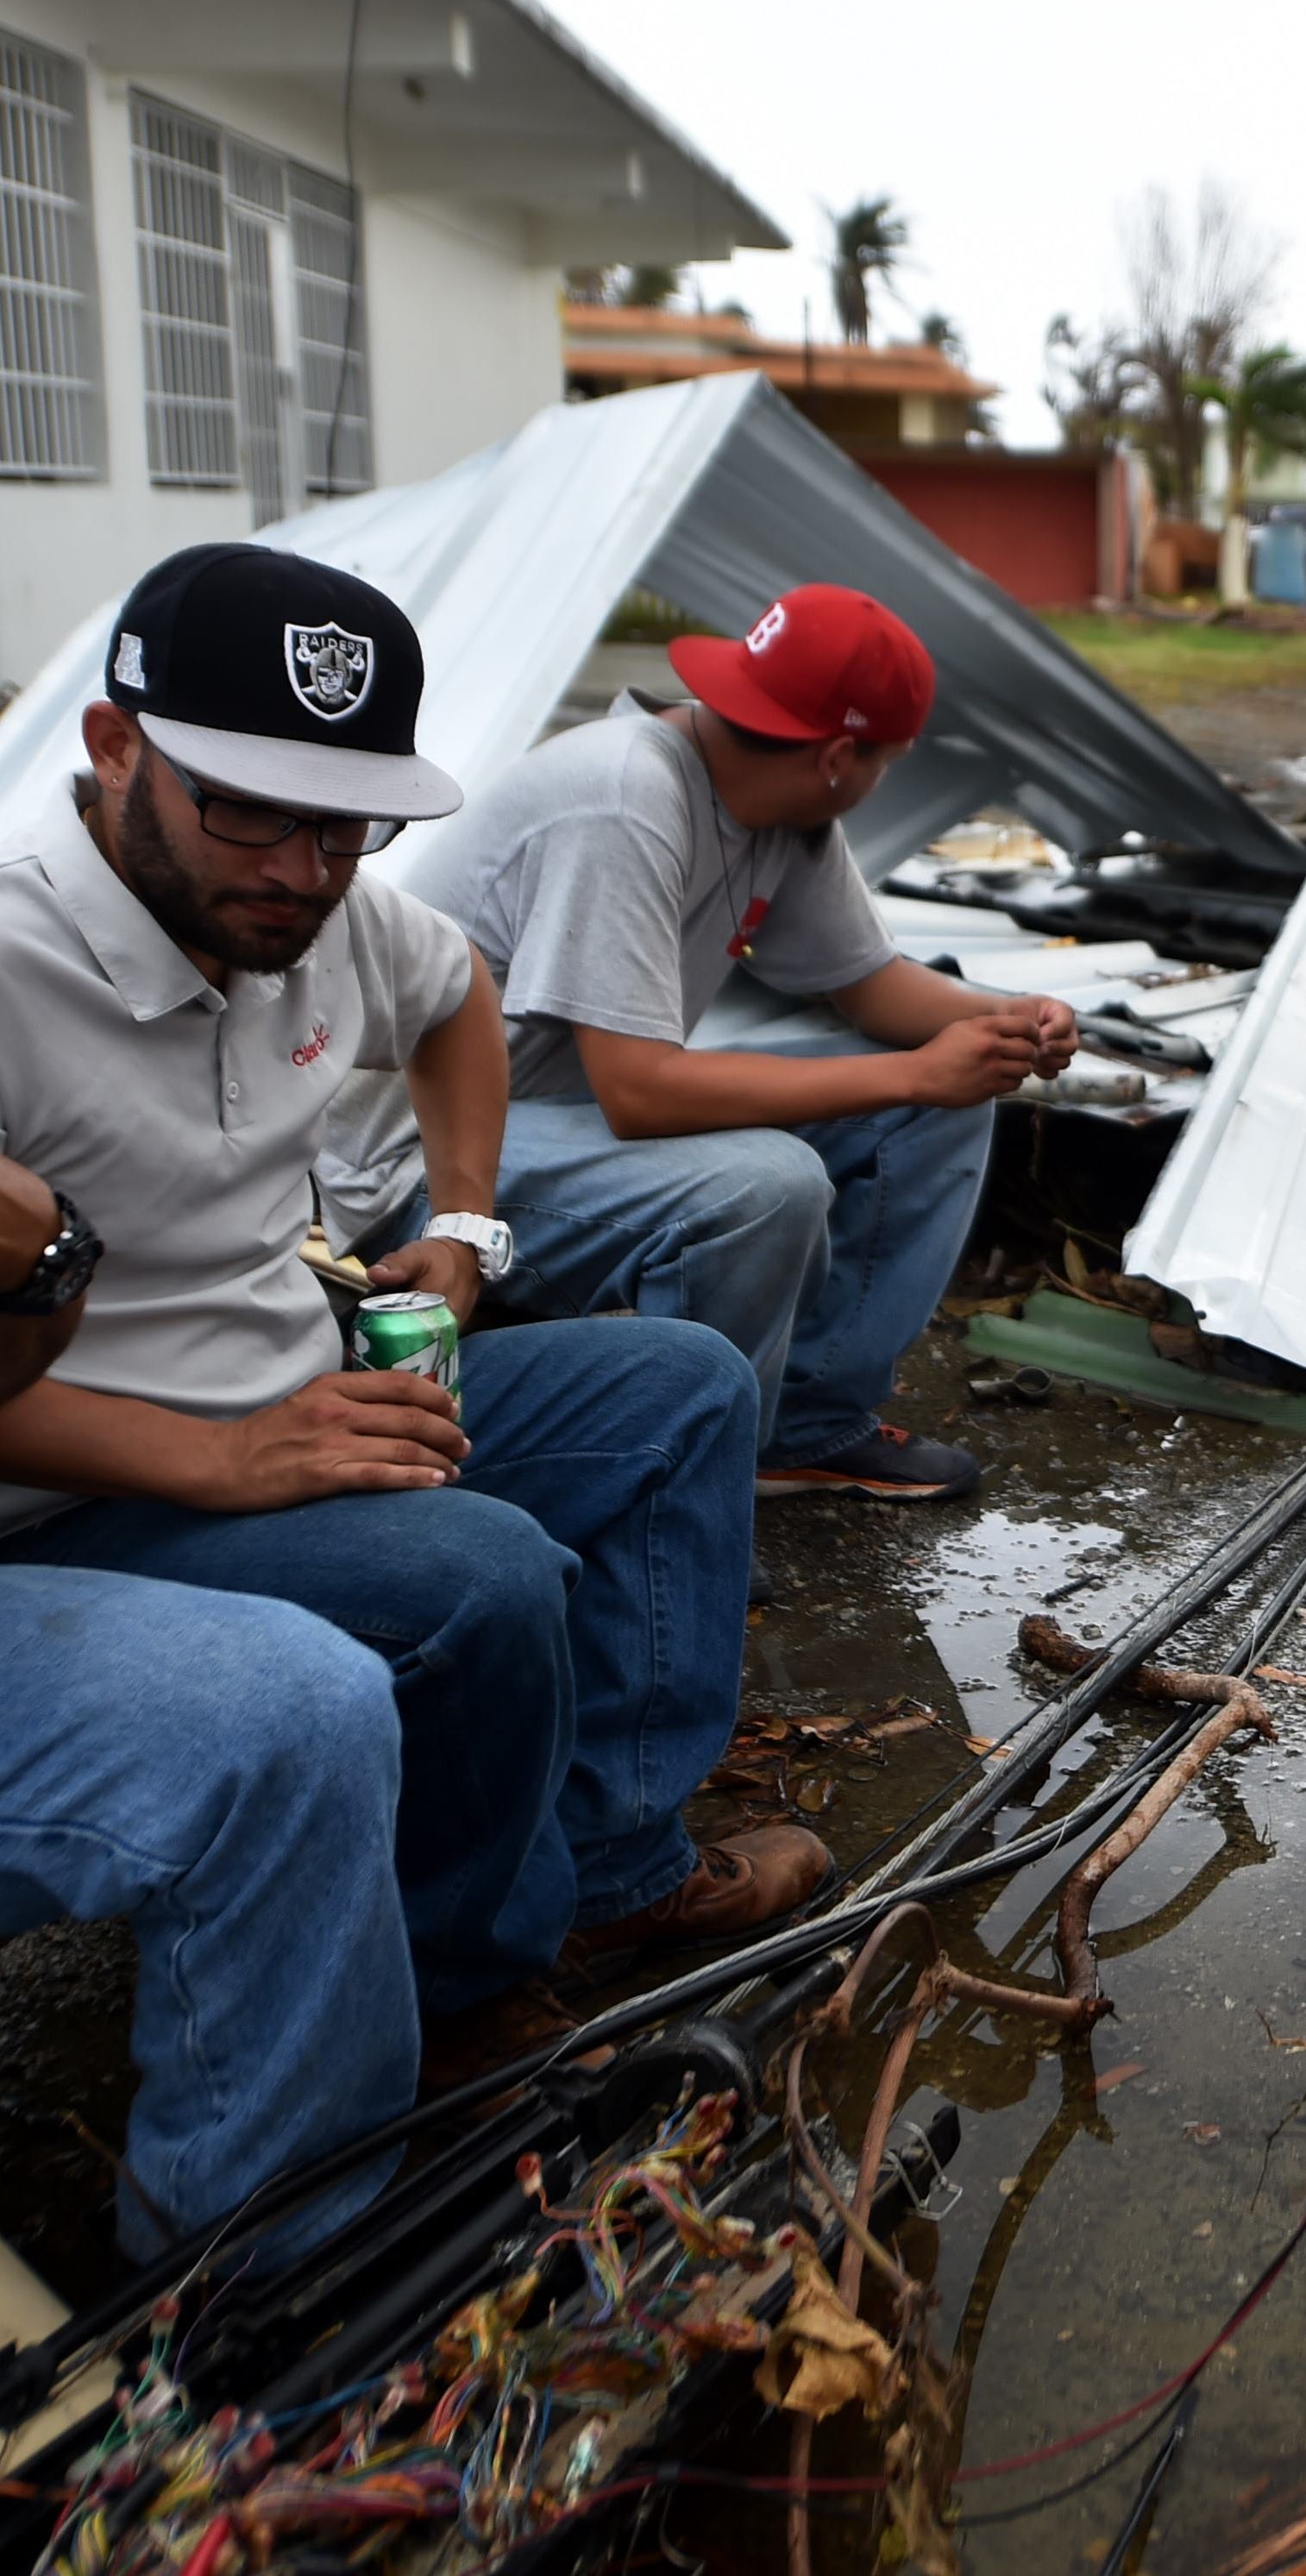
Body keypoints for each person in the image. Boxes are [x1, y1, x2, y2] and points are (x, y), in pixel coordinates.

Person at [0, 543, 819, 2089]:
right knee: (475, 1574)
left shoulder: (310, 911)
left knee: (683, 1391)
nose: (308, 870)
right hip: (75, 1501)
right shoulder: (10, 969)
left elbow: (455, 1001)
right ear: (114, 749)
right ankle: (463, 1983)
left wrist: (460, 1223)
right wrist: (224, 1461)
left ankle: (611, 1877)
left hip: (300, 1405)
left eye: (347, 822)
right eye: (250, 807)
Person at [330, 585, 1077, 1504]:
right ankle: (676, 1487)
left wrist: (1008, 1017)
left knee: (942, 1105)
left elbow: (869, 983)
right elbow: (639, 1092)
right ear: (842, 757)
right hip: (427, 1164)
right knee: (766, 1185)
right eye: (888, 759)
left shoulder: (777, 808)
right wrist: (922, 1065)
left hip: (560, 1128)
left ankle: (801, 1427)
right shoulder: (625, 798)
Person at [0, 1154, 420, 2269]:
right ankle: (244, 2291)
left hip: (265, 1408)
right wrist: (217, 1452)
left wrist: (45, 1254)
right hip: (102, 1503)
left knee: (342, 1681)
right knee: (302, 1711)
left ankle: (435, 2011)